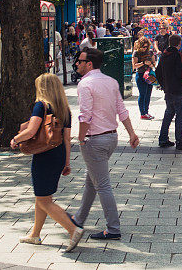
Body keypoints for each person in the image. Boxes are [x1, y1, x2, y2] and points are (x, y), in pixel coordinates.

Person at [70, 47, 140, 241]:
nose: (77, 63)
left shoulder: (85, 84)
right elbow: (122, 110)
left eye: (80, 61)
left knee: (101, 184)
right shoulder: (111, 82)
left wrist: (81, 138)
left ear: (89, 64)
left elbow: (85, 115)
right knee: (91, 180)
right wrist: (132, 133)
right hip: (111, 138)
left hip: (95, 139)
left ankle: (113, 228)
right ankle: (78, 218)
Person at [9, 73, 83, 252]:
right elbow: (67, 139)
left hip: (44, 155)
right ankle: (35, 234)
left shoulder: (41, 106)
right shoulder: (65, 109)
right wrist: (66, 162)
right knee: (42, 197)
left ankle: (73, 229)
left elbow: (31, 130)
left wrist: (15, 139)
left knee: (44, 200)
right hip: (57, 155)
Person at [156, 35, 182, 151]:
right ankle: (179, 141)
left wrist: (164, 85)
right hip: (178, 90)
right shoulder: (178, 55)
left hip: (168, 90)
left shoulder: (164, 55)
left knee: (168, 114)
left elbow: (157, 71)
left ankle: (163, 138)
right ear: (179, 43)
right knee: (180, 116)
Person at [131, 37, 156, 120]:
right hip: (141, 74)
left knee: (148, 94)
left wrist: (151, 64)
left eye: (146, 47)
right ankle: (142, 113)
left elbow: (154, 63)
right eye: (143, 47)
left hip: (149, 75)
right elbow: (134, 66)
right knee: (142, 94)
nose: (145, 48)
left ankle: (146, 112)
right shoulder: (136, 53)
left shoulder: (150, 52)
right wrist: (143, 63)